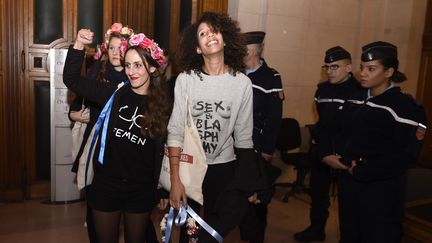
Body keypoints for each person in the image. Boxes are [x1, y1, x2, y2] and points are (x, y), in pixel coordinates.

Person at [64, 28, 171, 243]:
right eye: (128, 65)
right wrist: (78, 44)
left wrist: (162, 191)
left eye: (138, 65)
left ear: (151, 67)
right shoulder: (112, 92)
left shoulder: (163, 104)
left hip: (140, 189)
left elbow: (162, 151)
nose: (132, 71)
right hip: (106, 186)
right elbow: (72, 79)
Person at [167, 12, 264, 242]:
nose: (209, 35)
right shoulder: (186, 80)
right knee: (187, 232)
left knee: (213, 232)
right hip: (189, 166)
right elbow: (175, 131)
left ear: (225, 38)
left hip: (223, 169)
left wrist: (249, 181)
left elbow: (243, 138)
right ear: (198, 47)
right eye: (203, 33)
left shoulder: (242, 83)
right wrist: (174, 180)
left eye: (214, 30)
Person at [322, 41, 427, 242]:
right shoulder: (355, 99)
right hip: (349, 185)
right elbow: (333, 129)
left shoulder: (406, 108)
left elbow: (406, 155)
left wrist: (364, 170)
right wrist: (326, 153)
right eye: (362, 68)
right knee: (350, 234)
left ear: (389, 72)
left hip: (381, 191)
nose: (363, 73)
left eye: (371, 69)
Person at [68, 23, 132, 243]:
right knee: (95, 200)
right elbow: (78, 95)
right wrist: (73, 114)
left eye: (120, 48)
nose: (116, 53)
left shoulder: (135, 75)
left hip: (125, 150)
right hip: (97, 146)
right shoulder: (98, 72)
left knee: (130, 209)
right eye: (112, 48)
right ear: (106, 49)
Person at [294, 46, 362, 242]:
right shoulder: (322, 89)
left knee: (348, 201)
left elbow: (356, 129)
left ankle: (348, 236)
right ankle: (317, 229)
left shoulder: (360, 91)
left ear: (349, 68)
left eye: (335, 67)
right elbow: (322, 122)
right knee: (318, 196)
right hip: (323, 152)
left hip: (345, 155)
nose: (330, 71)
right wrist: (322, 151)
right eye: (327, 67)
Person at [239, 31, 283, 243]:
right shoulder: (234, 73)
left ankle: (254, 238)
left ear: (252, 51)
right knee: (236, 196)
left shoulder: (271, 77)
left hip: (257, 146)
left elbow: (275, 118)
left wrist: (267, 149)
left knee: (256, 200)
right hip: (234, 146)